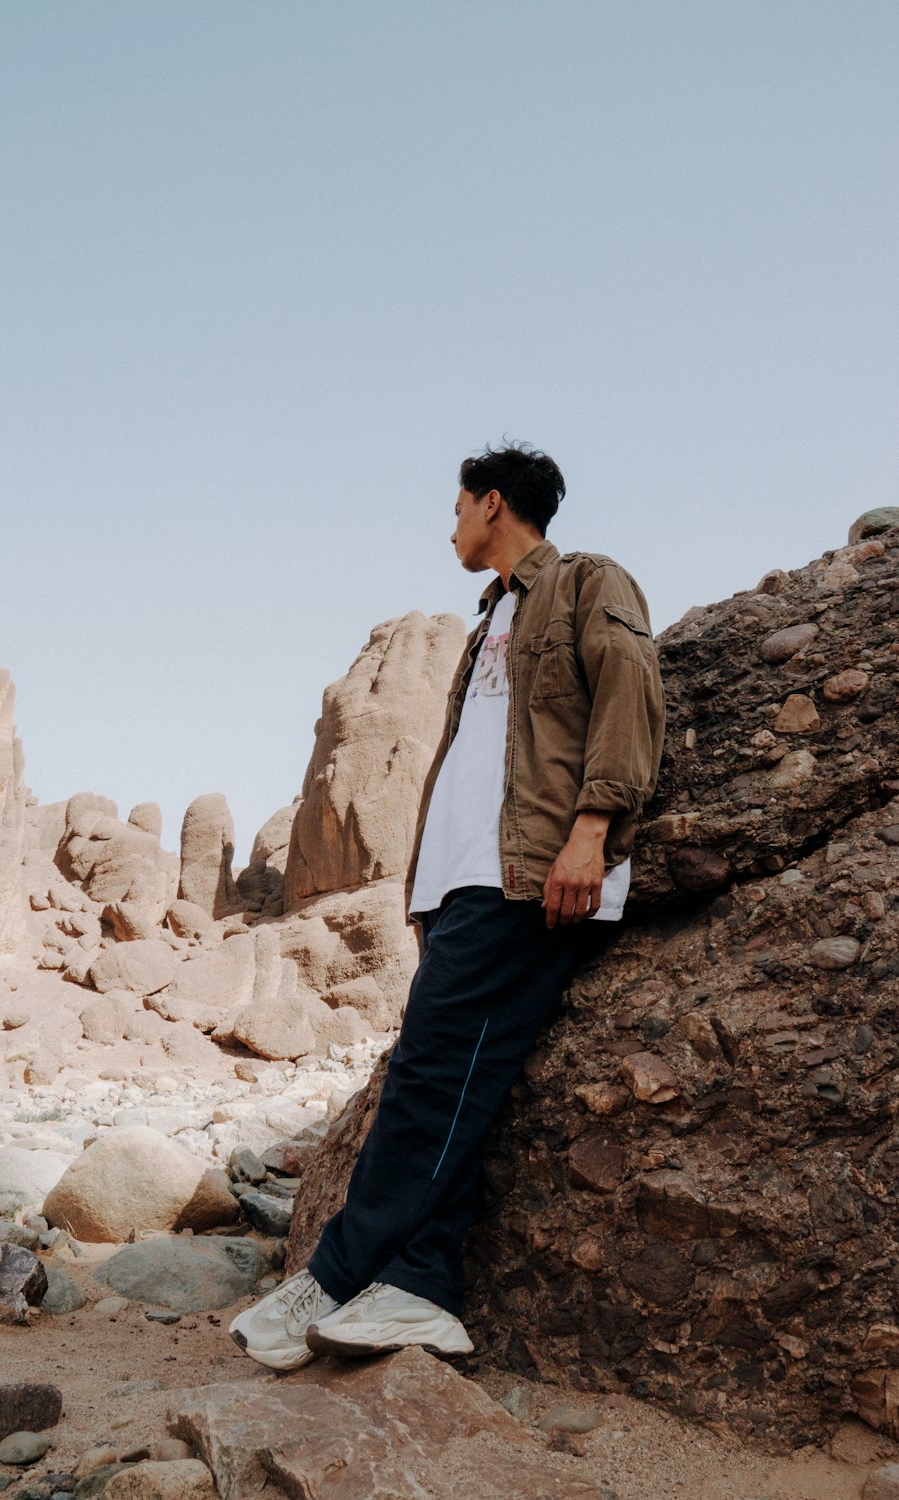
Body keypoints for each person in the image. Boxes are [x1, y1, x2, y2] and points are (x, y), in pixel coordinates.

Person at [230, 442, 665, 1370]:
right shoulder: (487, 624)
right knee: (459, 1078)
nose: (452, 524)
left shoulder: (585, 580)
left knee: (431, 1070)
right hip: (461, 886)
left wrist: (592, 831)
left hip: (530, 875)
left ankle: (338, 1272)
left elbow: (631, 692)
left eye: (458, 505)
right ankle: (422, 1285)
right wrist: (423, 892)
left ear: (493, 503)